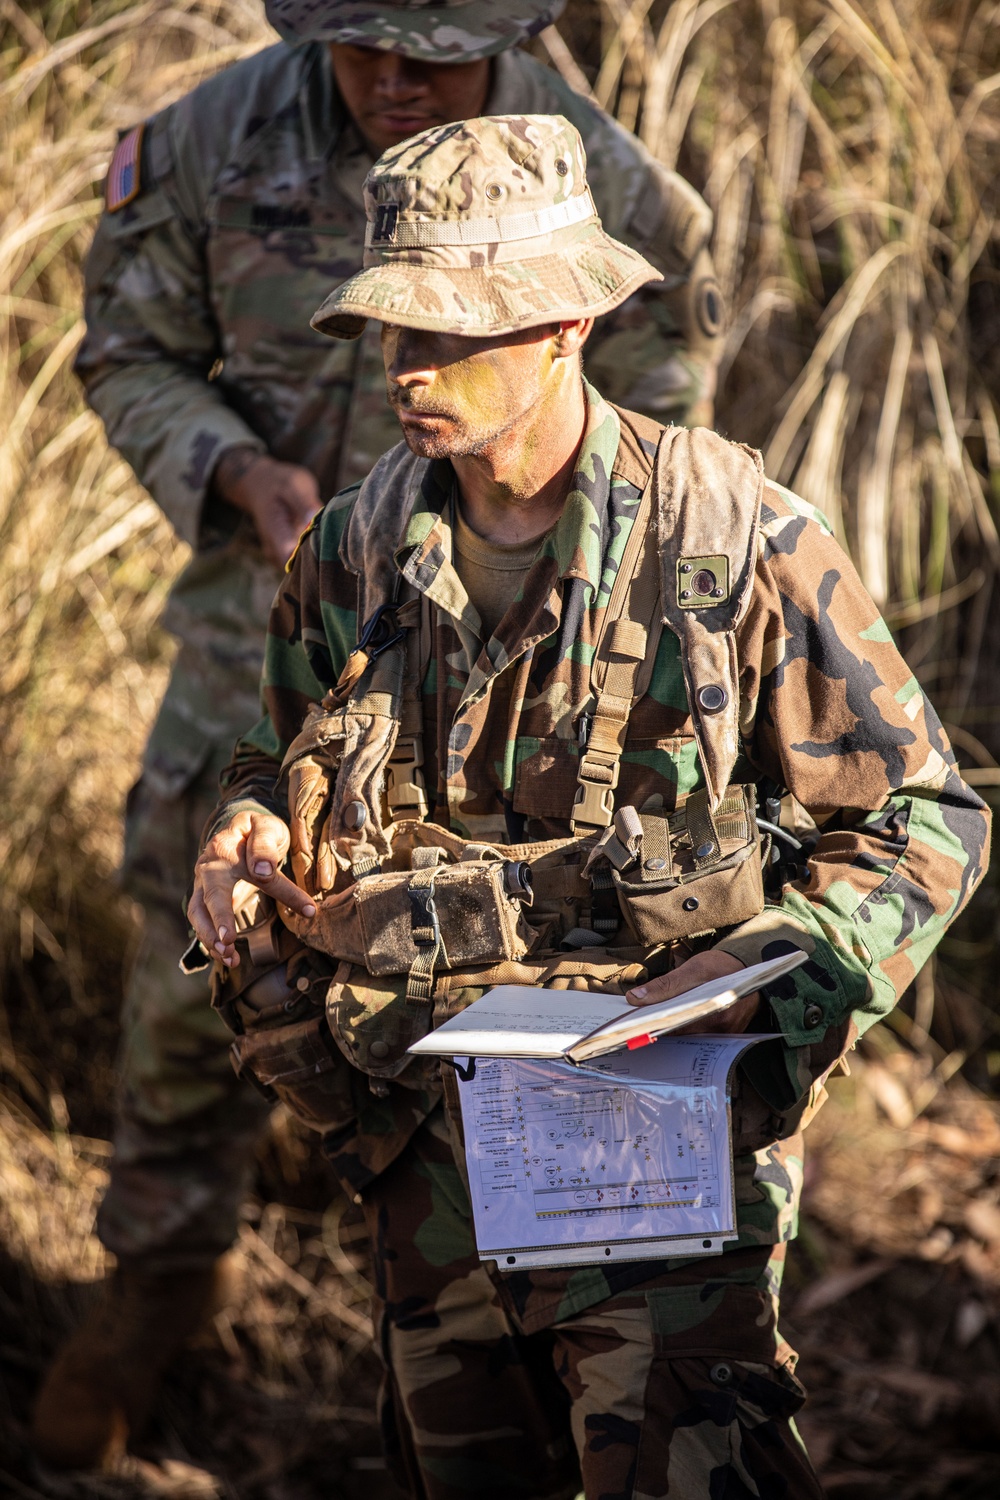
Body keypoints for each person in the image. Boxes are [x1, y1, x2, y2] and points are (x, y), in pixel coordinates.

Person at [185, 114, 989, 1499]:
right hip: (428, 1153)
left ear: (567, 323)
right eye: (393, 331)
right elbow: (281, 756)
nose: (408, 368)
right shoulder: (354, 550)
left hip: (663, 1163)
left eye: (450, 332)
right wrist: (249, 829)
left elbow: (923, 823)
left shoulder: (733, 538)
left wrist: (770, 988)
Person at [32, 0, 727, 1473]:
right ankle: (162, 1269)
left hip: (516, 645)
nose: (401, 80)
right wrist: (229, 470)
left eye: (439, 52)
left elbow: (650, 413)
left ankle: (513, 1305)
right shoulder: (212, 139)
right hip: (267, 614)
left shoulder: (593, 171)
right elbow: (125, 346)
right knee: (200, 918)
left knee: (510, 956)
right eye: (367, 51)